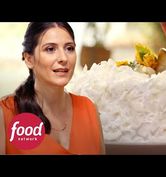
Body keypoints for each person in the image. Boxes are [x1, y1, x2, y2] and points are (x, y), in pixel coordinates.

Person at [0, 22, 105, 155]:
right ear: (29, 59)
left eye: (69, 48)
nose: (63, 58)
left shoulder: (89, 109)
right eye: (50, 49)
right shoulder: (6, 113)